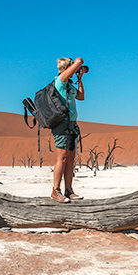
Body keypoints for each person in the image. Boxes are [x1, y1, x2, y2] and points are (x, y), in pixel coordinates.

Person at [50, 57, 86, 203]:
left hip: (72, 124)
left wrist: (80, 78)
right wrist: (77, 62)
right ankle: (55, 190)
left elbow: (81, 97)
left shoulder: (70, 86)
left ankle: (69, 190)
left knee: (71, 159)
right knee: (62, 158)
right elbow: (79, 61)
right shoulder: (60, 80)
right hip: (62, 124)